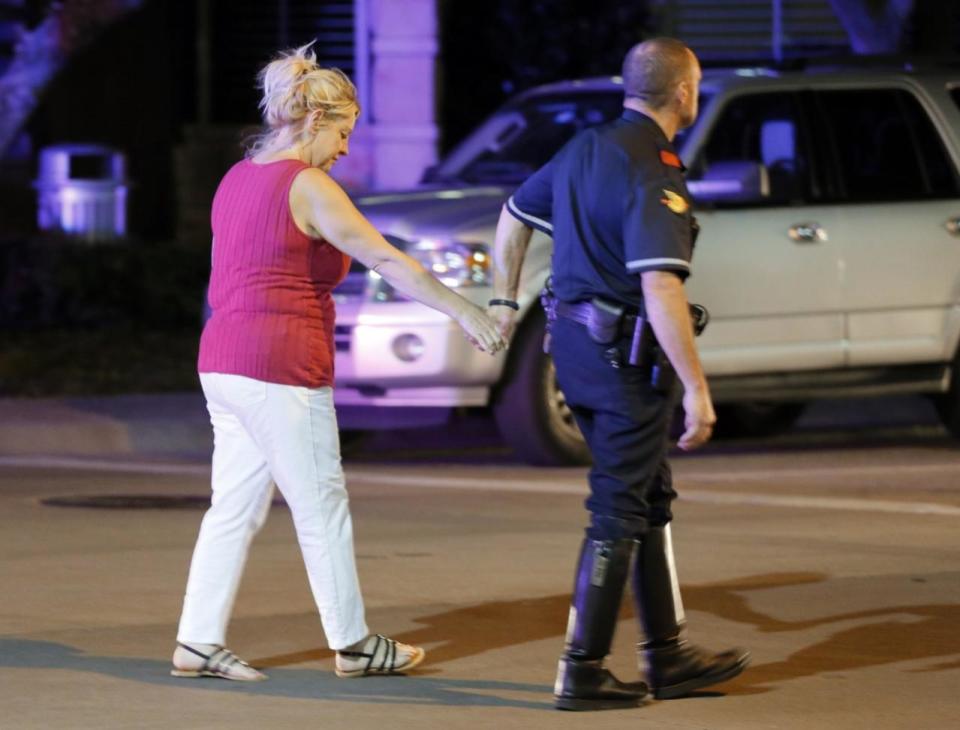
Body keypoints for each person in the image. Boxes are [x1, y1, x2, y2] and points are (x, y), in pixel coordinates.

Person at [171, 43, 506, 683]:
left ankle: (198, 641)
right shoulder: (309, 187)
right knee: (321, 506)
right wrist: (464, 310)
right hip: (281, 365)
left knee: (233, 507)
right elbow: (387, 259)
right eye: (345, 132)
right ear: (316, 121)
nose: (346, 149)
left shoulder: (236, 179)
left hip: (222, 361)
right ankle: (353, 644)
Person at [487, 38, 749, 711]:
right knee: (617, 512)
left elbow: (513, 218)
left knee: (645, 498)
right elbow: (660, 287)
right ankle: (583, 670)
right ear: (684, 93)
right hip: (623, 361)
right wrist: (698, 389)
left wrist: (502, 300)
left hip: (572, 349)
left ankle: (668, 656)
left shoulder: (586, 146)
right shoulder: (654, 170)